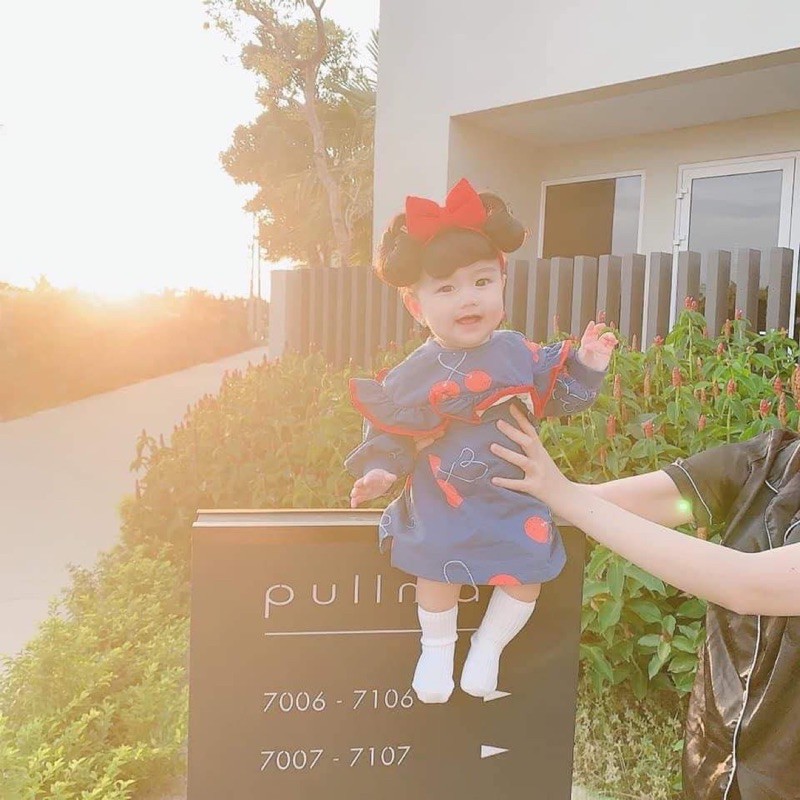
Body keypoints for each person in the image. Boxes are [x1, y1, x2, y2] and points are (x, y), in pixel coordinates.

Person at [345, 178, 617, 704]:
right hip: (444, 497)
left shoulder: (517, 352)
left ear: (502, 282)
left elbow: (560, 398)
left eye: (481, 282)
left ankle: (488, 647)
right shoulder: (415, 371)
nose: (467, 299)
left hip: (514, 494)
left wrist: (587, 364)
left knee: (529, 568)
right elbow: (391, 429)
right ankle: (436, 649)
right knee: (435, 565)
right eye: (445, 289)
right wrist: (380, 472)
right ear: (415, 305)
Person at [490, 403, 800, 800]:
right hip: (719, 765)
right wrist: (493, 492)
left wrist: (563, 495)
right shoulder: (772, 461)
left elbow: (745, 585)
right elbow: (626, 501)